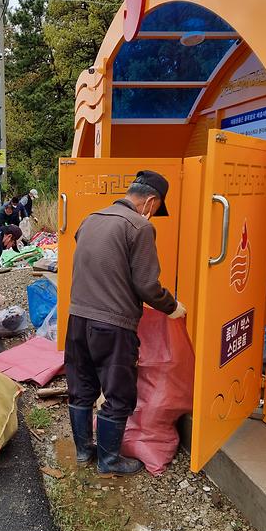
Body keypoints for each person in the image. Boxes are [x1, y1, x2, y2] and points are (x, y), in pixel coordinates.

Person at [66, 171, 186, 475]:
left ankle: (83, 452)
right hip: (113, 325)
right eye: (157, 209)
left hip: (78, 318)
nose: (153, 215)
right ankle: (108, 461)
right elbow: (146, 285)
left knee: (82, 387)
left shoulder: (90, 219)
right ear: (150, 201)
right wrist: (171, 307)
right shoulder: (139, 226)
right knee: (119, 395)